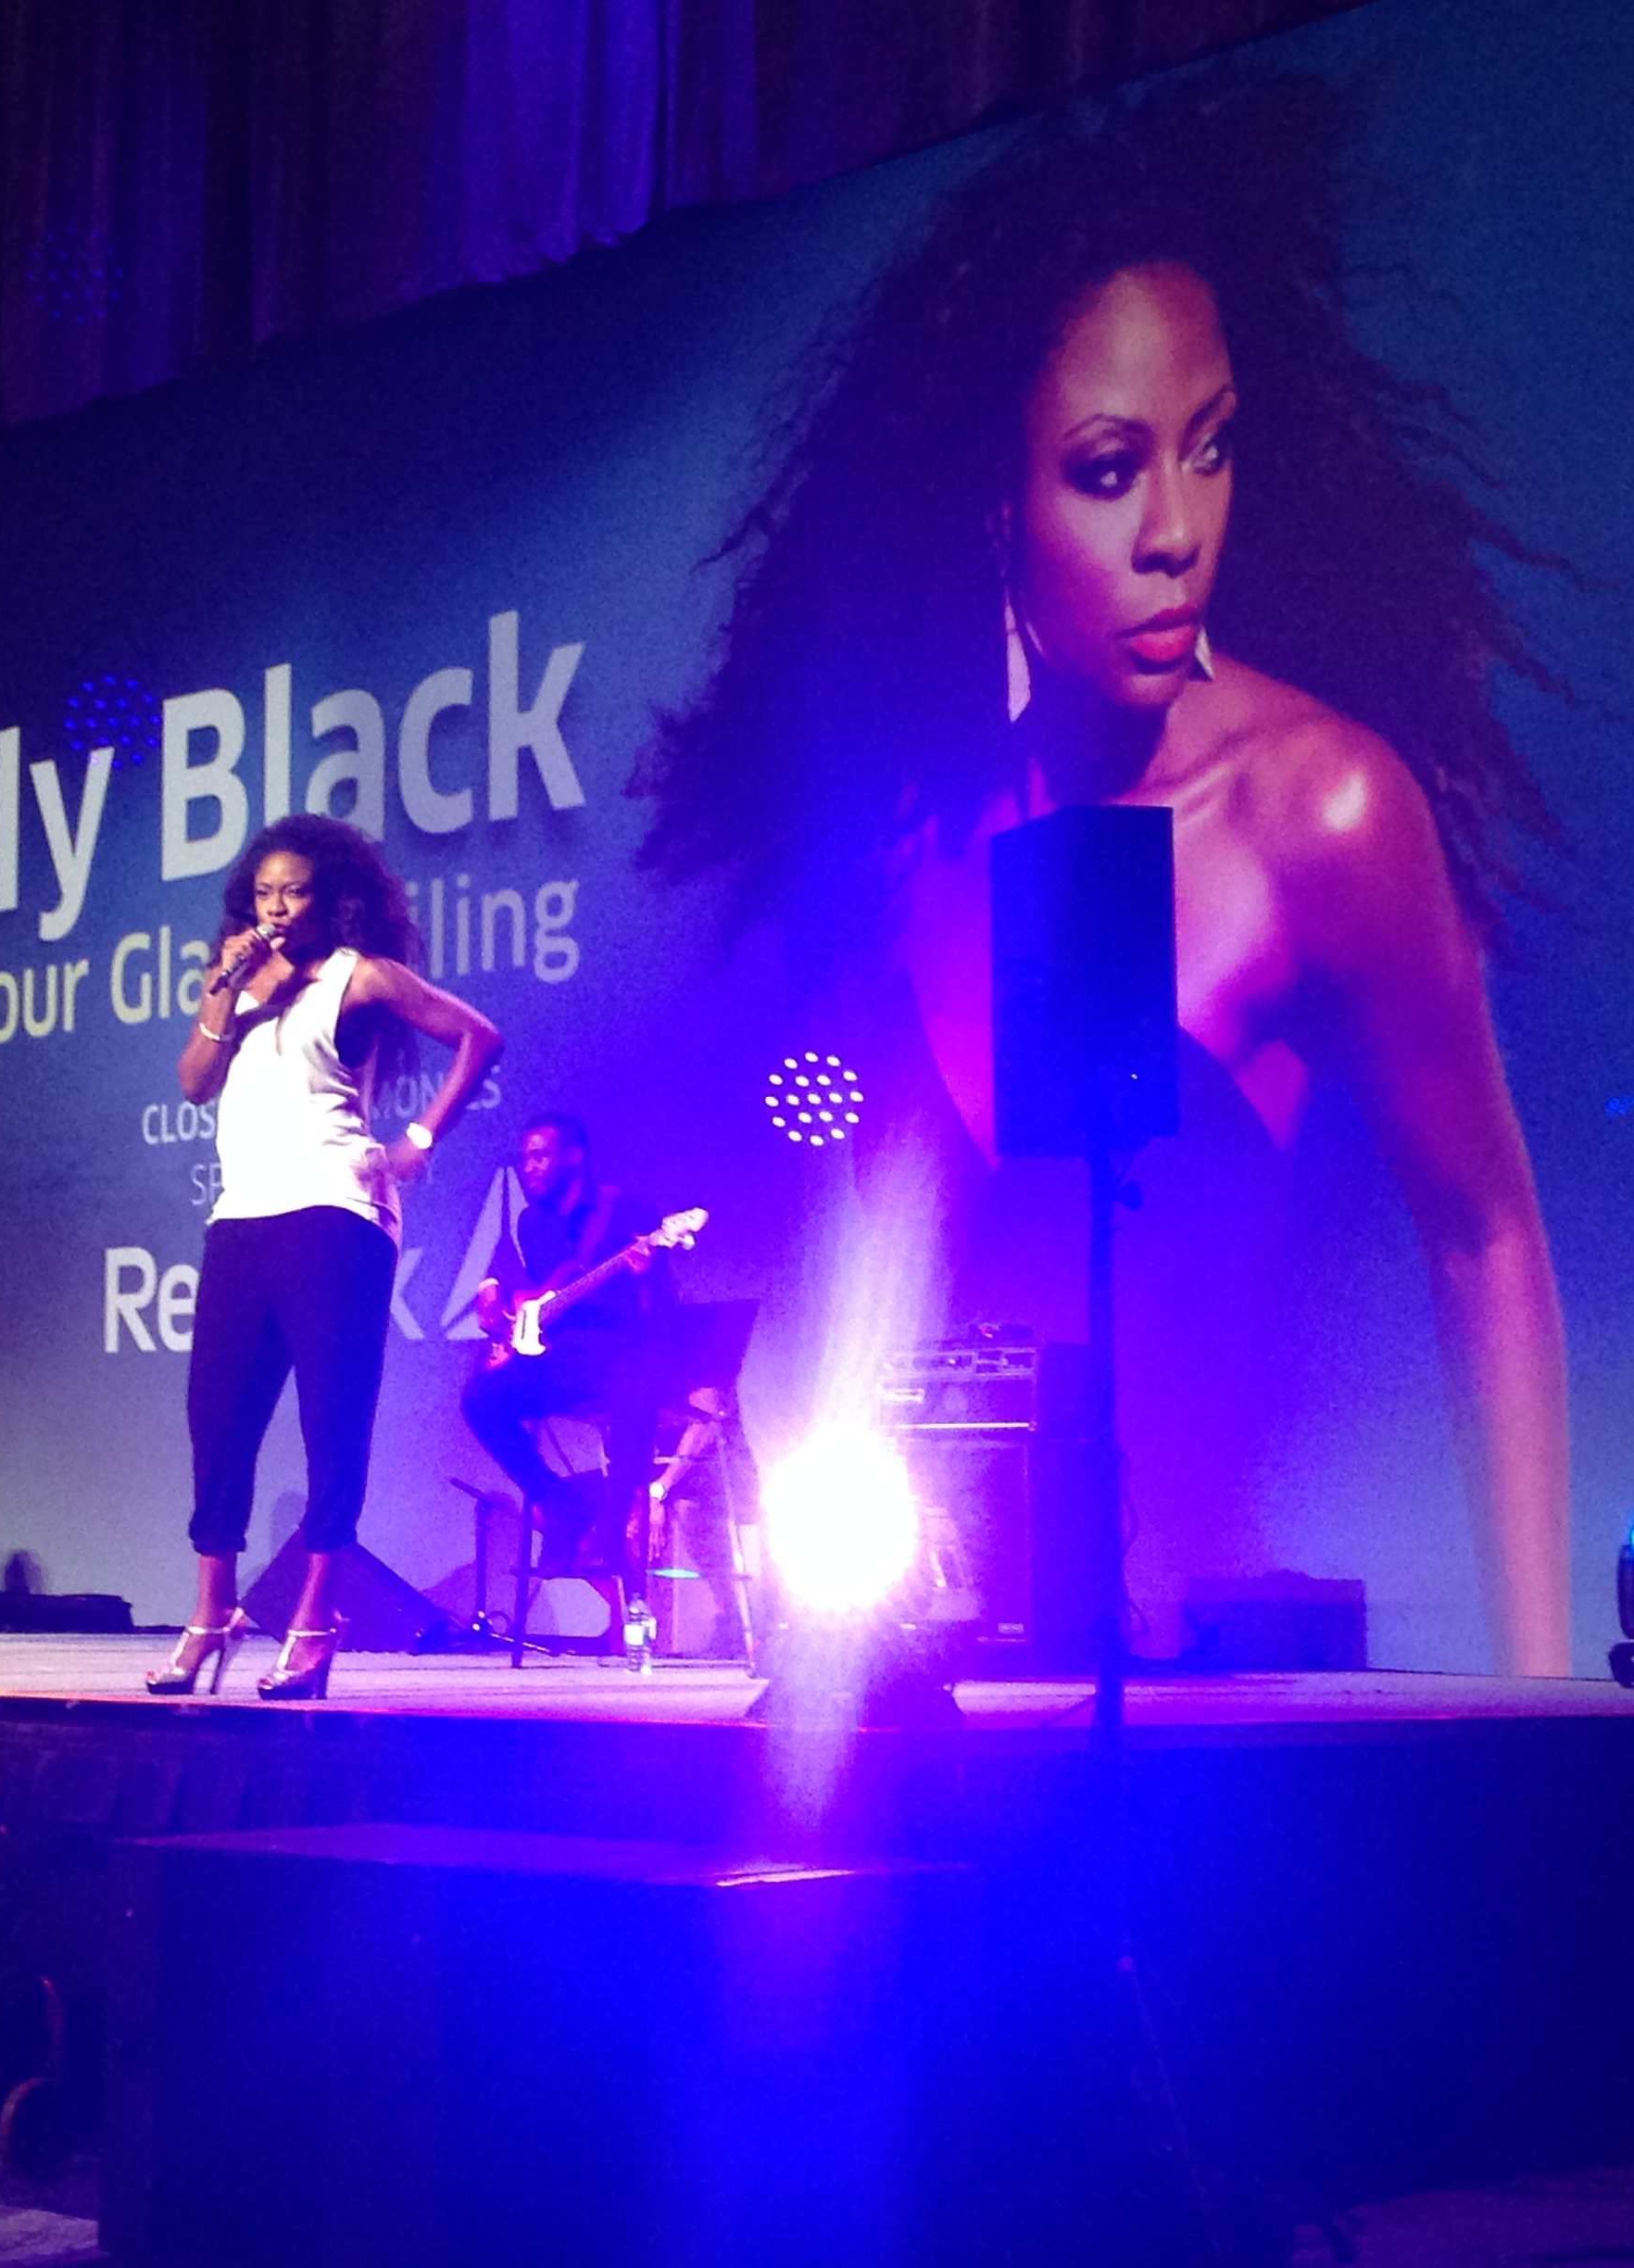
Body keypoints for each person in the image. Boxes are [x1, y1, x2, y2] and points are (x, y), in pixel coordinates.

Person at [637, 71, 1571, 1674]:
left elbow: (1484, 1238)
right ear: (996, 505)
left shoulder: (1320, 813)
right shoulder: (926, 839)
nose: (1175, 531)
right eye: (1105, 467)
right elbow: (870, 1279)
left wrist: (1539, 1706)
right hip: (969, 1673)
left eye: (1209, 449)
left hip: (1233, 1704)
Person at [149, 813, 502, 1701]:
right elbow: (193, 1082)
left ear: (327, 899)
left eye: (294, 892)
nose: (276, 908)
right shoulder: (235, 979)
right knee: (217, 1424)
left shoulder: (360, 976)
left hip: (336, 1213)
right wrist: (222, 992)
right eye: (263, 893)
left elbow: (479, 1037)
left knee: (330, 1425)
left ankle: (315, 1620)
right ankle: (212, 1614)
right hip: (241, 1216)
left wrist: (420, 1138)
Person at [460, 1115, 672, 1591]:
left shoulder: (623, 1209)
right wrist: (494, 1288)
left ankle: (611, 1531)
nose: (530, 1168)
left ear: (574, 1157)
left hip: (617, 1348)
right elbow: (539, 1289)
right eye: (525, 1159)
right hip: (563, 1357)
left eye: (541, 1156)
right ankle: (559, 1503)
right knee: (480, 1400)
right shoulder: (531, 1222)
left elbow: (663, 1300)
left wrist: (644, 1273)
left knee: (636, 1382)